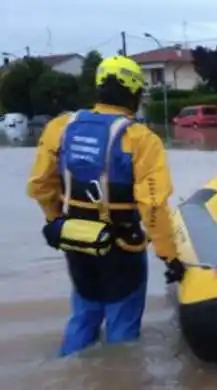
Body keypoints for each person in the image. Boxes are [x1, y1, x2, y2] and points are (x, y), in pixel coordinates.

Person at [28, 55, 185, 357]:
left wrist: (57, 221)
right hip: (121, 247)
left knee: (84, 311)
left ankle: (72, 376)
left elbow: (39, 185)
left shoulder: (60, 127)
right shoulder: (140, 139)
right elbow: (152, 206)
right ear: (135, 93)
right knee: (122, 327)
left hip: (76, 240)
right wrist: (170, 257)